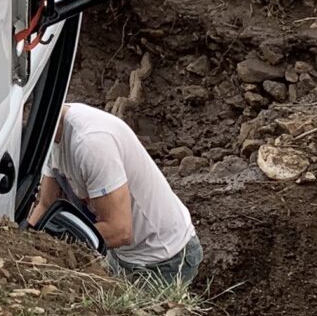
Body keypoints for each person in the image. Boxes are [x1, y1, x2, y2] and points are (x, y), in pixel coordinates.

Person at [28, 98, 203, 289]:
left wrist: (54, 249)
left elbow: (120, 231)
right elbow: (45, 204)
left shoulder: (91, 143)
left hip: (165, 258)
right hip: (122, 254)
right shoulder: (50, 133)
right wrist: (25, 243)